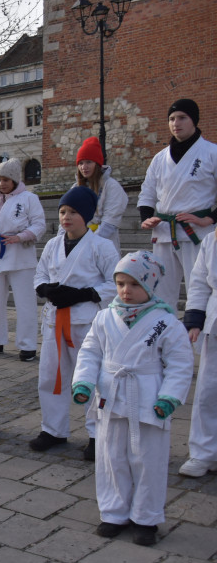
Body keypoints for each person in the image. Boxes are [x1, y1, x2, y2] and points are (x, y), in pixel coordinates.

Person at [72, 251, 193, 545]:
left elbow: (180, 363)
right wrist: (84, 382)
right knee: (111, 457)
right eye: (121, 283)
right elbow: (90, 352)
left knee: (147, 459)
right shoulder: (103, 318)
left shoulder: (167, 323)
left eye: (134, 285)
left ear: (150, 286)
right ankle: (113, 512)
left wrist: (169, 397)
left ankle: (145, 518)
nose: (126, 291)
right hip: (111, 395)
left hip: (148, 397)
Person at [31, 187, 120, 459]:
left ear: (87, 216)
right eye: (62, 212)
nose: (66, 217)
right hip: (55, 319)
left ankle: (97, 434)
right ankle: (53, 429)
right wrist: (46, 289)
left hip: (86, 321)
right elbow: (40, 273)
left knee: (90, 378)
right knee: (51, 376)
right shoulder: (52, 245)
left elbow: (115, 282)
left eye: (72, 212)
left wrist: (85, 294)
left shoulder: (102, 246)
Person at [138, 98, 217, 309]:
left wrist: (208, 218)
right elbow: (147, 192)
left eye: (182, 117)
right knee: (161, 293)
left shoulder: (211, 153)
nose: (176, 123)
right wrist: (146, 218)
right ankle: (166, 340)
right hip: (164, 232)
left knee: (200, 289)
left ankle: (203, 340)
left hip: (198, 234)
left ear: (194, 121)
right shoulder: (160, 158)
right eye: (172, 119)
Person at [0, 158, 47, 361]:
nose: (1, 184)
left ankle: (28, 345)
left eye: (5, 179)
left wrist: (21, 236)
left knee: (25, 302)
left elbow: (39, 224)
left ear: (15, 179)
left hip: (20, 255)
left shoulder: (29, 198)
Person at [180, 225, 217, 477]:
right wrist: (194, 318)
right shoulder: (211, 240)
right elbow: (199, 281)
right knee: (208, 390)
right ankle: (203, 452)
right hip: (215, 322)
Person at [71, 136, 127, 254]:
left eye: (88, 162)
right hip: (78, 246)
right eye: (80, 163)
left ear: (97, 164)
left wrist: (88, 243)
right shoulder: (75, 188)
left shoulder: (111, 186)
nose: (84, 167)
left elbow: (110, 221)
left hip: (103, 246)